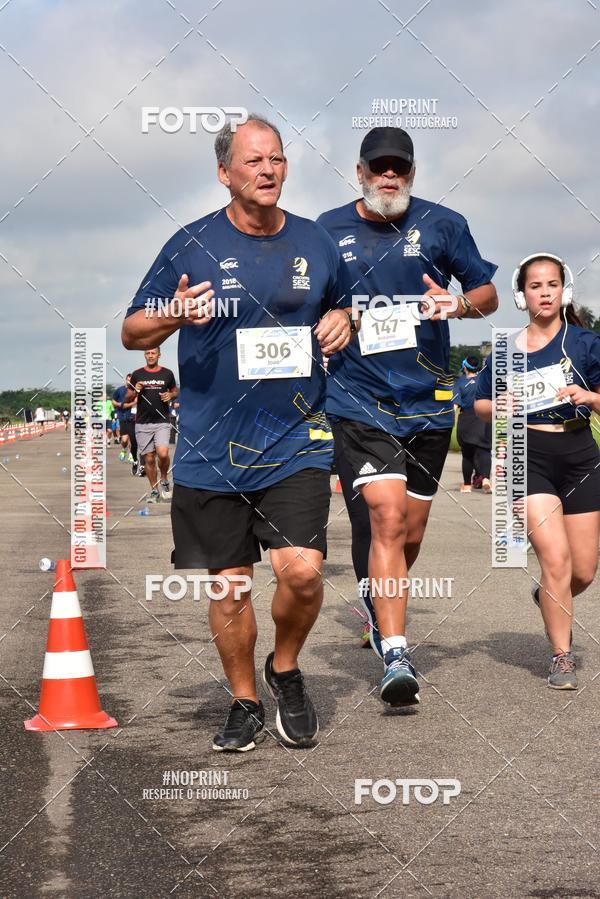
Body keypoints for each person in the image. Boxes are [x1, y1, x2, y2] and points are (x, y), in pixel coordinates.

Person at [121, 115, 354, 752]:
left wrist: (342, 317)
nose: (268, 170)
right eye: (253, 162)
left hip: (295, 439)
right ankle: (245, 699)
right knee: (230, 589)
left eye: (276, 159)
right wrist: (174, 312)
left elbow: (345, 304)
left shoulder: (317, 241)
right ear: (224, 173)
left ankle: (286, 667)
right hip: (210, 451)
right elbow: (131, 331)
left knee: (302, 573)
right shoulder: (189, 245)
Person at [318, 126, 498, 706]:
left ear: (412, 173)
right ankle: (396, 651)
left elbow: (487, 292)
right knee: (387, 518)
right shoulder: (325, 230)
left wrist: (460, 303)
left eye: (399, 168)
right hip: (358, 398)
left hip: (427, 403)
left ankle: (377, 594)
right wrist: (332, 319)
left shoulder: (444, 224)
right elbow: (301, 303)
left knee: (406, 533)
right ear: (360, 172)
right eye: (378, 168)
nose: (388, 177)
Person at [475, 253, 600, 689]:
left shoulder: (586, 343)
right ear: (521, 295)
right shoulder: (506, 347)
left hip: (580, 453)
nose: (544, 293)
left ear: (563, 291)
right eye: (535, 286)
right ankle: (561, 656)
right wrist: (499, 406)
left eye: (551, 284)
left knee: (583, 570)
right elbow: (478, 403)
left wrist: (589, 397)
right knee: (556, 559)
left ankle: (549, 593)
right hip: (529, 453)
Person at [124, 349, 178, 502]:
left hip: (162, 421)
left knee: (162, 453)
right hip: (142, 423)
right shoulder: (137, 374)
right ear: (145, 355)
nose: (150, 356)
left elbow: (175, 391)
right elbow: (128, 398)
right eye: (148, 353)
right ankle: (154, 490)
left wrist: (171, 395)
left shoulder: (167, 373)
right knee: (148, 459)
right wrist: (135, 389)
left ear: (159, 355)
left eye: (153, 353)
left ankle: (165, 478)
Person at [454, 355, 492, 493]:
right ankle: (486, 478)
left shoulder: (461, 382)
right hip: (485, 416)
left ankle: (467, 485)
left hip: (467, 418)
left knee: (468, 453)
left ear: (464, 367)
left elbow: (455, 404)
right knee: (485, 450)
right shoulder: (485, 379)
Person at [112, 375, 139, 471]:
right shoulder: (120, 390)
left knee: (132, 439)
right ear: (125, 380)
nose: (130, 382)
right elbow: (113, 401)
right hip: (122, 417)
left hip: (133, 418)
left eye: (132, 380)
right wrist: (120, 404)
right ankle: (124, 449)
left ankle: (132, 455)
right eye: (128, 380)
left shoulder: (136, 391)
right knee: (124, 440)